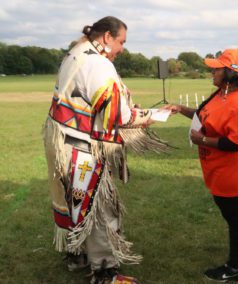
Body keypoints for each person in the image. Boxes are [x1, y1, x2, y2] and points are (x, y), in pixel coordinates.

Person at [43, 16, 165, 284]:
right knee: (99, 207)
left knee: (75, 199)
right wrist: (150, 116)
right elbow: (118, 117)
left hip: (62, 142)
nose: (122, 48)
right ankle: (104, 272)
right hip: (82, 149)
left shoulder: (75, 53)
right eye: (121, 41)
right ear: (107, 37)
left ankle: (78, 254)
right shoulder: (99, 65)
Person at [165, 49, 238, 282]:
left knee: (234, 219)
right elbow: (202, 116)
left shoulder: (237, 105)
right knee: (234, 214)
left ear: (231, 73)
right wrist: (179, 108)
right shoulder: (220, 94)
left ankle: (234, 269)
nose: (212, 70)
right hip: (219, 170)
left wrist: (203, 140)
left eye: (217, 68)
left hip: (233, 174)